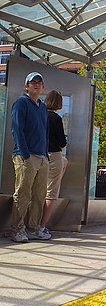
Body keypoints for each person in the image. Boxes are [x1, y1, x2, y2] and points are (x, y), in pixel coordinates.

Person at [10, 72, 51, 242]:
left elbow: (45, 132)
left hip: (42, 157)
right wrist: (25, 154)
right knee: (23, 194)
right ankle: (17, 230)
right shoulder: (21, 103)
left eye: (39, 82)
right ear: (26, 86)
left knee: (39, 195)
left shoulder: (42, 107)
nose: (36, 85)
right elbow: (16, 130)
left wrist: (46, 155)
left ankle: (34, 228)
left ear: (43, 87)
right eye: (32, 82)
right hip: (25, 156)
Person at [40, 90, 68, 235]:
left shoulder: (39, 115)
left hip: (39, 155)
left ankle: (32, 222)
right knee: (51, 193)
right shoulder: (55, 118)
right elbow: (62, 142)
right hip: (53, 156)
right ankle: (41, 227)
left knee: (39, 190)